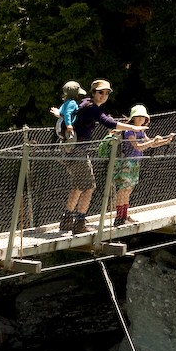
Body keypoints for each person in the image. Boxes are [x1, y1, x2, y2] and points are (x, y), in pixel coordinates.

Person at [56, 78, 149, 234]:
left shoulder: (84, 104)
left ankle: (66, 220)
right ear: (93, 93)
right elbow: (109, 122)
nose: (103, 96)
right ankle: (79, 224)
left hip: (68, 149)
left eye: (106, 93)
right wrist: (133, 127)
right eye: (100, 92)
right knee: (89, 187)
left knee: (79, 185)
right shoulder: (92, 107)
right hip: (77, 151)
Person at [113, 104, 173, 226]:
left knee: (128, 190)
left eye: (143, 117)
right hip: (127, 163)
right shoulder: (129, 130)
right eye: (138, 117)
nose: (141, 119)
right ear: (133, 118)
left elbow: (150, 144)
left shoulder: (141, 131)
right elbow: (138, 146)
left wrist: (166, 140)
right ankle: (119, 218)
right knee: (123, 190)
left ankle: (124, 215)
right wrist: (153, 141)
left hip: (136, 163)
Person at [49, 80, 86, 146]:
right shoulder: (72, 103)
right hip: (66, 127)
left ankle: (66, 146)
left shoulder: (66, 102)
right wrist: (68, 125)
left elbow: (61, 112)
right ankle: (70, 149)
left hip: (60, 125)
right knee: (73, 142)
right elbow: (67, 114)